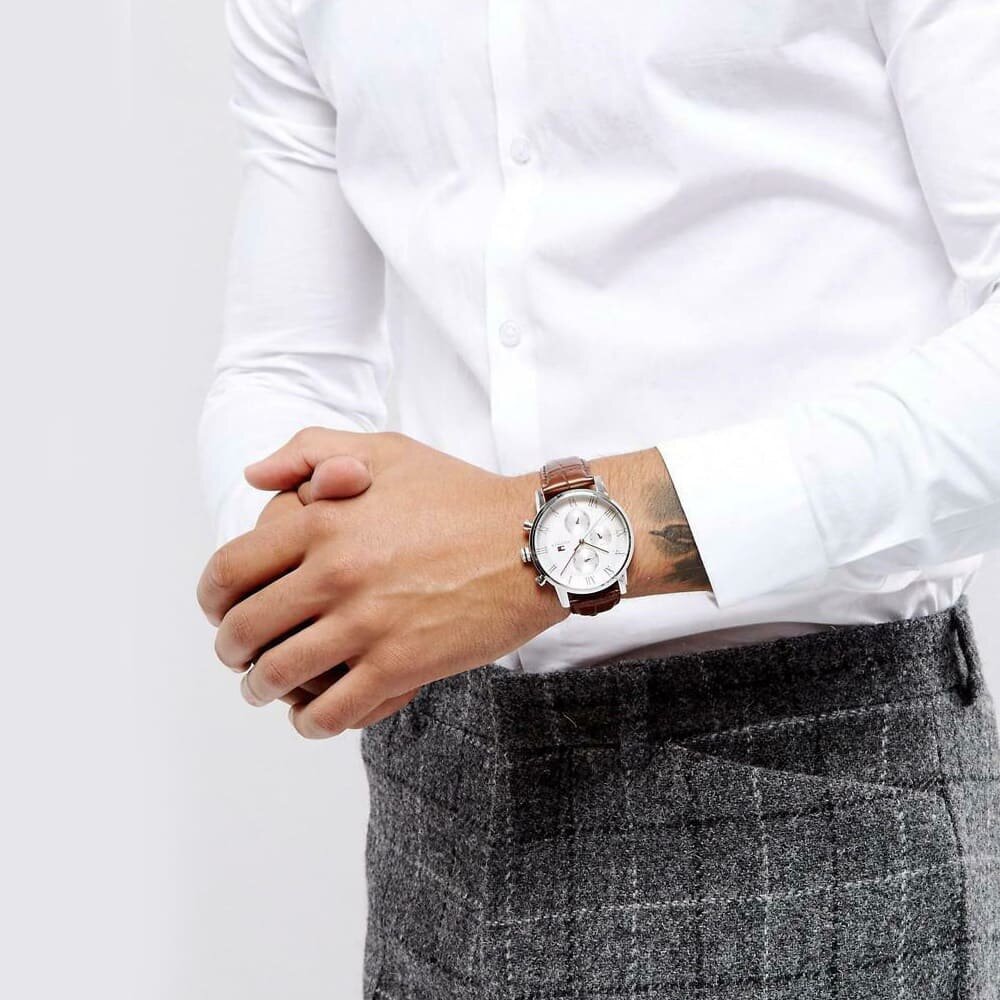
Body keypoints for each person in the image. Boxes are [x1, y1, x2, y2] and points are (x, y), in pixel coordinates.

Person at [195, 0, 1000, 995]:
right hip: (437, 798)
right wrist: (298, 568)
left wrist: (542, 546)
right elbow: (284, 362)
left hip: (811, 784)